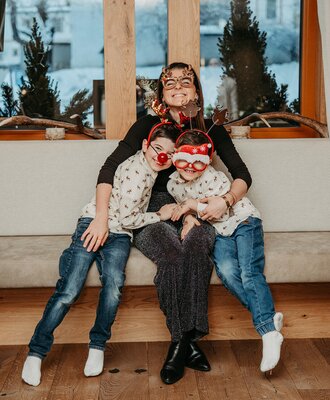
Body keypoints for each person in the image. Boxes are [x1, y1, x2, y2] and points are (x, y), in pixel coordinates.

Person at [84, 62, 254, 384]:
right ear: (162, 92)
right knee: (172, 255)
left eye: (185, 81)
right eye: (170, 82)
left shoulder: (210, 129)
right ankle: (183, 341)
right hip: (152, 210)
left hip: (196, 204)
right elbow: (109, 168)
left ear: (195, 90)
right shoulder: (148, 126)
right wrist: (102, 217)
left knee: (197, 246)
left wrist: (223, 201)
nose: (177, 86)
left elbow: (243, 176)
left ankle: (182, 343)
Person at [21, 122, 179, 387]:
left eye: (170, 154)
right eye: (158, 149)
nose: (162, 156)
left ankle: (97, 345)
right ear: (145, 146)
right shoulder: (136, 171)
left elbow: (126, 222)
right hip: (95, 223)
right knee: (69, 289)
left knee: (114, 284)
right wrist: (160, 215)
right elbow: (130, 217)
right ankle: (36, 352)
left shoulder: (154, 168)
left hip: (119, 235)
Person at [168, 129, 284, 373]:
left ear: (207, 160)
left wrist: (192, 205)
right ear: (174, 157)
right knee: (228, 272)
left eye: (197, 161)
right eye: (183, 160)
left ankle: (268, 335)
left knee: (249, 273)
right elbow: (186, 211)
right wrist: (187, 215)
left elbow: (219, 209)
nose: (190, 167)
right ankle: (268, 322)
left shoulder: (215, 177)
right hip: (220, 233)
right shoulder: (172, 185)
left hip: (243, 222)